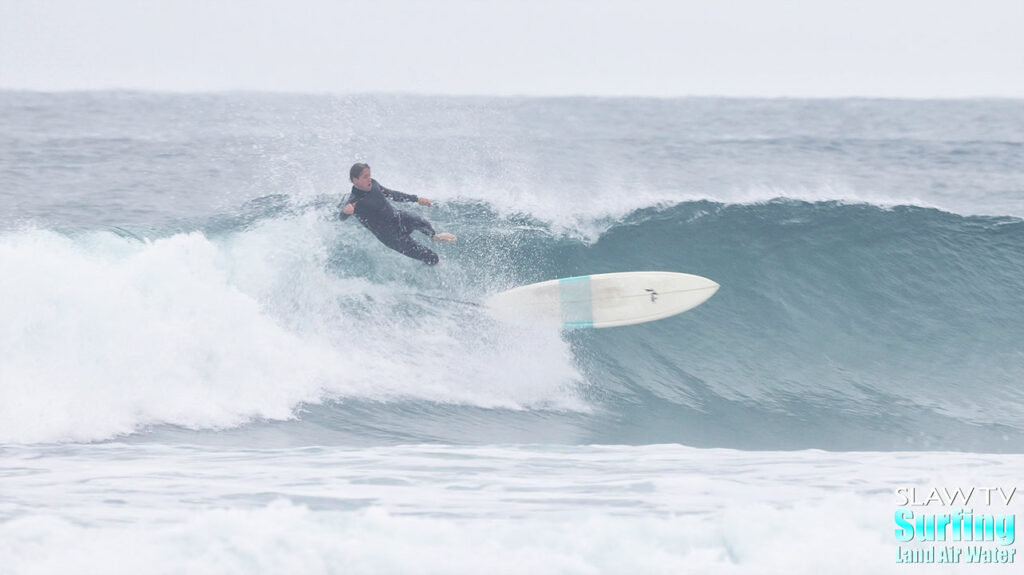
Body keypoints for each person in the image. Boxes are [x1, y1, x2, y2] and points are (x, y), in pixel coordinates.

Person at [339, 163, 456, 265]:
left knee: (419, 220)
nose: (369, 179)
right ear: (355, 180)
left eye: (369, 175)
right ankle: (435, 266)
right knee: (432, 257)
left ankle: (435, 237)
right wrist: (345, 212)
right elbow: (342, 217)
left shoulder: (374, 184)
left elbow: (392, 194)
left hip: (399, 218)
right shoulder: (354, 201)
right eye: (365, 177)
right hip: (392, 237)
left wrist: (416, 199)